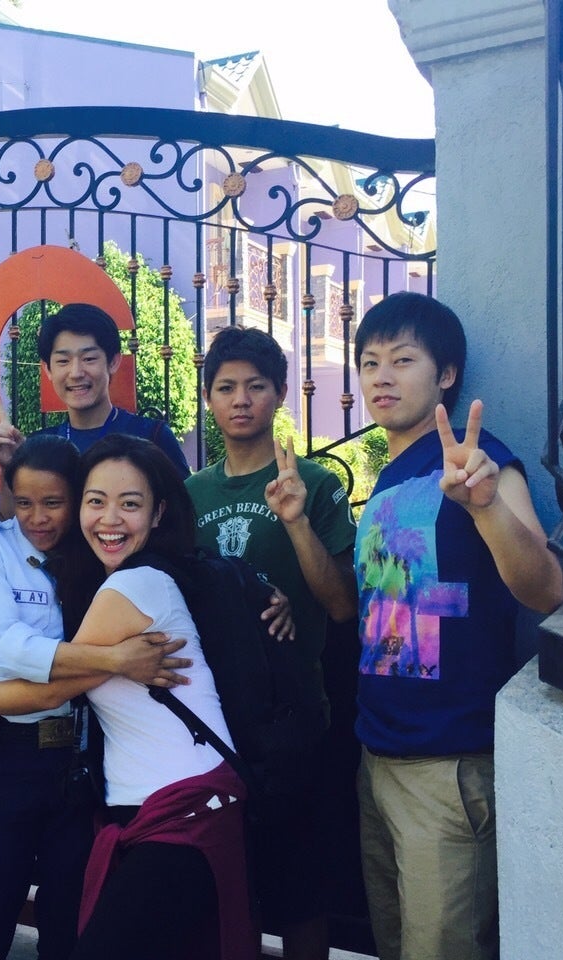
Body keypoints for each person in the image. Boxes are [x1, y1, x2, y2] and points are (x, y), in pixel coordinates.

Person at [0, 434, 255, 960]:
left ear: (158, 513)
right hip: (155, 804)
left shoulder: (131, 586)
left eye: (129, 504)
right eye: (97, 501)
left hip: (179, 808)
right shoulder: (107, 575)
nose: (109, 519)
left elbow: (49, 689)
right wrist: (114, 660)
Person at [352, 293, 563, 960]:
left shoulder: (481, 463)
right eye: (369, 363)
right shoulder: (388, 479)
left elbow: (547, 589)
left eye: (402, 360)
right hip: (377, 755)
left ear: (446, 374)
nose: (381, 377)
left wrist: (485, 506)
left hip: (449, 765)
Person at [185, 325, 358, 960]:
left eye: (255, 386)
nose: (241, 400)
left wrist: (296, 522)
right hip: (210, 720)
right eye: (226, 387)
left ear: (281, 393)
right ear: (208, 397)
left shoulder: (314, 483)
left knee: (300, 891)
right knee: (225, 886)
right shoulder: (191, 493)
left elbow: (341, 604)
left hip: (292, 719)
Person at [0, 303, 191, 515]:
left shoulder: (153, 436)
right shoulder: (37, 446)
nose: (76, 372)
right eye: (63, 361)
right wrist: (11, 466)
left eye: (89, 359)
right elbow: (15, 527)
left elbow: (184, 516)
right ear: (48, 369)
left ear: (113, 362)